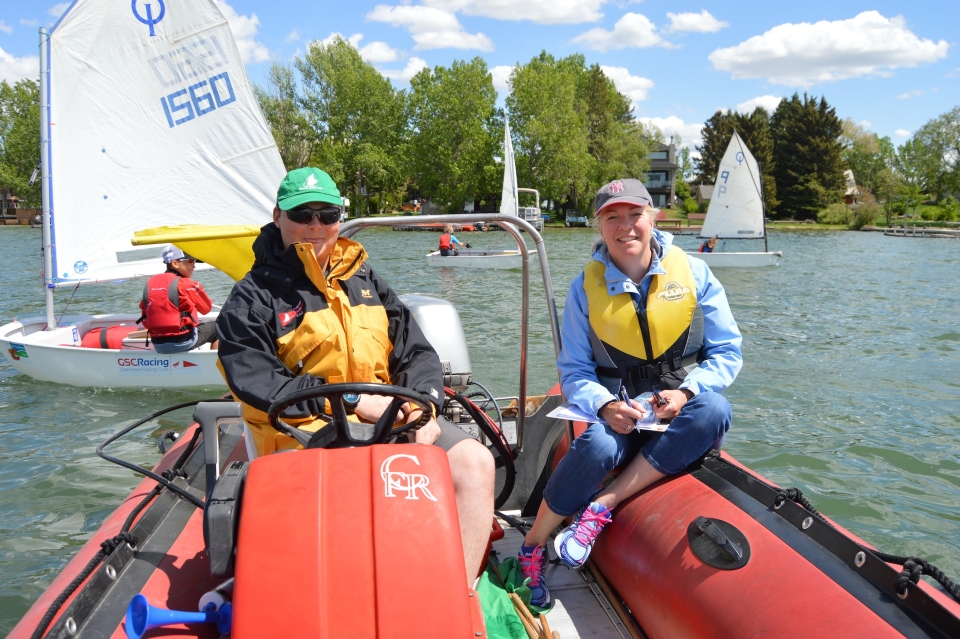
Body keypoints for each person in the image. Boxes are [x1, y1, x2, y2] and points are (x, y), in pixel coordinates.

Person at [215, 167, 495, 586]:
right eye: (302, 214)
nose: (315, 226)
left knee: (475, 463)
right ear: (277, 217)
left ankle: (456, 600)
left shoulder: (366, 280)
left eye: (327, 215)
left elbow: (417, 351)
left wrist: (424, 409)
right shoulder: (251, 297)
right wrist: (348, 401)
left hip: (390, 421)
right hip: (304, 436)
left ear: (339, 220)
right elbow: (255, 379)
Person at [517, 178, 742, 608]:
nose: (626, 227)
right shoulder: (584, 288)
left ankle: (603, 504)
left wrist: (686, 393)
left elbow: (728, 352)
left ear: (651, 218)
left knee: (714, 408)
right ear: (599, 227)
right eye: (612, 217)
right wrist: (604, 405)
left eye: (634, 214)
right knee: (597, 444)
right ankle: (533, 543)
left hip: (679, 413)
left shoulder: (695, 273)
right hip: (621, 414)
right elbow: (575, 371)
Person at [139, 245, 219, 354]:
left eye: (194, 262)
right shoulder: (187, 284)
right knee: (219, 327)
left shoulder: (150, 284)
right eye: (190, 261)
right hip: (184, 341)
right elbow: (206, 309)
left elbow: (145, 317)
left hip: (158, 344)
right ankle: (215, 367)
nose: (194, 266)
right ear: (175, 263)